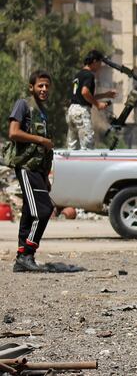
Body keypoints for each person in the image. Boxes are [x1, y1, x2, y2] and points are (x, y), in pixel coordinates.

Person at [5, 70, 55, 272]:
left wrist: (46, 176)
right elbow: (13, 132)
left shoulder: (43, 112)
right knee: (43, 210)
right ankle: (27, 254)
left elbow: (44, 151)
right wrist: (41, 139)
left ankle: (21, 258)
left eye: (47, 86)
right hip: (26, 167)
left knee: (28, 211)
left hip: (38, 170)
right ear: (31, 87)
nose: (44, 89)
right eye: (40, 85)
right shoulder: (23, 105)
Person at [67, 50, 116, 150]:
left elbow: (84, 95)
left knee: (72, 147)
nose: (100, 66)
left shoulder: (78, 75)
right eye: (100, 63)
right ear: (94, 61)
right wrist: (98, 105)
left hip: (72, 111)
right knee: (87, 146)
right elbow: (85, 92)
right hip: (81, 112)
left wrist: (105, 95)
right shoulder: (89, 75)